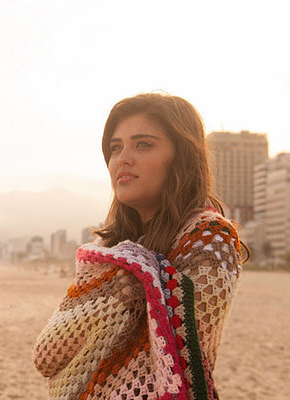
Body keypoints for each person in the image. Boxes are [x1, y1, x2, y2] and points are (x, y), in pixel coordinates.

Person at [32, 92, 248, 400]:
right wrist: (126, 283)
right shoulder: (106, 247)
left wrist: (128, 278)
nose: (123, 158)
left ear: (181, 156)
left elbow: (187, 342)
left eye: (143, 144)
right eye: (115, 147)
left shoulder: (210, 240)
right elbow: (46, 355)